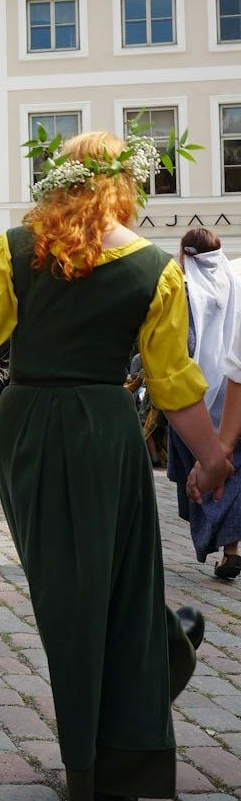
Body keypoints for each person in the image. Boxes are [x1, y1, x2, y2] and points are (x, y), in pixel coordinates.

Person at [0, 129, 230, 801]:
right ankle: (129, 729)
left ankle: (99, 766)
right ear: (125, 184)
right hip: (105, 427)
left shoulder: (15, 250)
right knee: (119, 585)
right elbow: (174, 382)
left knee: (67, 597)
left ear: (57, 180)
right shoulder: (155, 268)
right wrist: (212, 458)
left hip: (29, 426)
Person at [168, 229, 241, 580]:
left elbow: (178, 346)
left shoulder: (182, 288)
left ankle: (219, 539)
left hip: (192, 401)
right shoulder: (234, 283)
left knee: (199, 472)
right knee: (234, 471)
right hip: (235, 399)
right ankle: (232, 549)